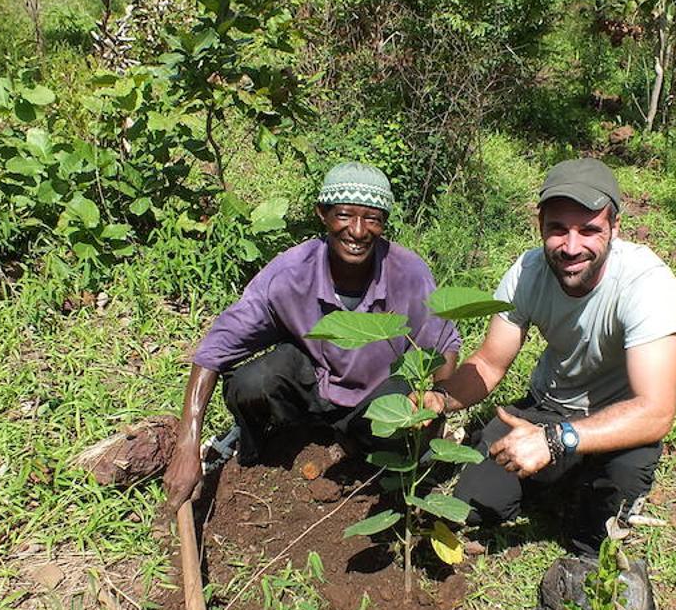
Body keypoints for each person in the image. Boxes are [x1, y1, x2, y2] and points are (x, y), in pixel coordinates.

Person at [418, 157, 676, 557]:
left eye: (589, 230)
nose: (571, 247)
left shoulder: (645, 283)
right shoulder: (528, 272)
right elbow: (489, 363)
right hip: (549, 408)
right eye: (558, 229)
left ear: (614, 228)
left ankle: (581, 483)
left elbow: (656, 411)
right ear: (540, 225)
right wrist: (440, 399)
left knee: (594, 540)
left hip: (618, 422)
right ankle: (556, 475)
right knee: (474, 504)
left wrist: (558, 441)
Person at [164, 162, 460, 512]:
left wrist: (435, 397)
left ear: (384, 223)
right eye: (345, 215)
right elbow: (215, 350)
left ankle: (368, 457)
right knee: (250, 383)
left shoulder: (408, 272)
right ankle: (263, 444)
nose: (358, 231)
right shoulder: (290, 273)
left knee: (400, 421)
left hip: (379, 393)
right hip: (316, 379)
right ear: (322, 214)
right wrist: (187, 445)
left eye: (373, 219)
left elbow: (444, 345)